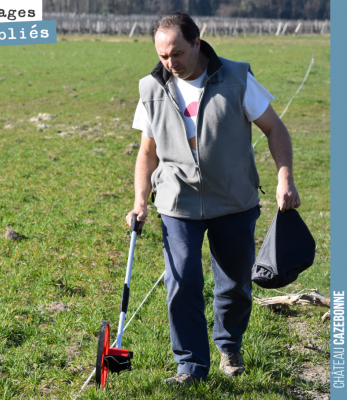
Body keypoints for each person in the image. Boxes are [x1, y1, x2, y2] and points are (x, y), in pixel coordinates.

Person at [126, 11, 301, 386]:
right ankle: (190, 366)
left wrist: (284, 176)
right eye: (162, 57)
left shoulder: (236, 78)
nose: (170, 64)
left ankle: (228, 344)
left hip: (234, 200)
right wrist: (141, 201)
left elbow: (274, 128)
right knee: (182, 281)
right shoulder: (151, 88)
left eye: (177, 54)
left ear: (197, 43)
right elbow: (147, 153)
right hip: (177, 202)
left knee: (235, 284)